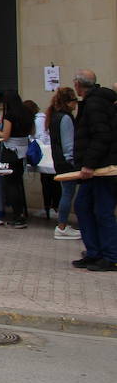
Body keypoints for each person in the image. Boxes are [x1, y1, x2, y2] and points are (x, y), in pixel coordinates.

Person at [69, 70, 117, 272]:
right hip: (94, 167)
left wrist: (89, 164)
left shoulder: (95, 104)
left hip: (101, 168)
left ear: (78, 85)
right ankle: (94, 252)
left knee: (103, 211)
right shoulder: (93, 102)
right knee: (83, 206)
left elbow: (102, 136)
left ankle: (111, 256)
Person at [47, 88, 81, 240]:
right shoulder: (65, 118)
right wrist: (72, 161)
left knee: (66, 192)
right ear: (68, 102)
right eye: (74, 101)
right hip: (66, 162)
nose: (76, 104)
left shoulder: (54, 116)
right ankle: (61, 226)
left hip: (58, 160)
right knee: (68, 193)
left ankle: (62, 225)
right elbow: (68, 143)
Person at [0, 90, 33, 228]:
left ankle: (17, 215)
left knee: (10, 184)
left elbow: (5, 136)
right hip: (22, 150)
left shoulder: (10, 115)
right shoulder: (27, 113)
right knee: (18, 183)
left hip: (10, 151)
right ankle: (21, 214)